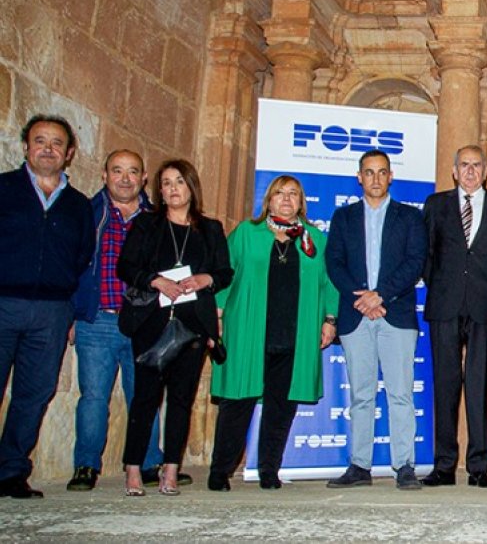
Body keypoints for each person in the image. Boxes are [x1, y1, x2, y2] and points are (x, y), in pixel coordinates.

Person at [208, 175, 339, 491]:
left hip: (294, 335)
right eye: (279, 192)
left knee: (282, 408)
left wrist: (329, 319)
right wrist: (218, 314)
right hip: (247, 331)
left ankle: (269, 470)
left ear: (301, 203)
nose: (286, 198)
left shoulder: (315, 240)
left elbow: (328, 283)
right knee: (237, 402)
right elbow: (225, 275)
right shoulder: (246, 234)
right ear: (268, 199)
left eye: (293, 193)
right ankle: (220, 470)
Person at [117, 159, 232, 496]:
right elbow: (126, 266)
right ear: (159, 190)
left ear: (191, 187)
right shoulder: (147, 225)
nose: (172, 189)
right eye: (166, 183)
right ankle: (134, 469)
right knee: (145, 398)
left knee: (181, 400)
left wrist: (205, 279)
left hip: (193, 325)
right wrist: (156, 281)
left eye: (179, 181)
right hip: (152, 321)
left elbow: (225, 272)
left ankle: (170, 470)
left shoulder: (210, 229)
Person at [69, 150, 181, 491]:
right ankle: (86, 466)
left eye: (133, 171)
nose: (125, 178)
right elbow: (71, 266)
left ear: (144, 178)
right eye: (117, 171)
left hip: (146, 324)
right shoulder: (87, 214)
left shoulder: (157, 220)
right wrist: (71, 314)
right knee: (93, 397)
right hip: (98, 320)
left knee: (145, 396)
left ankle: (149, 462)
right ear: (105, 176)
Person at [0, 115, 94, 499]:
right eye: (40, 140)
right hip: (3, 302)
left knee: (34, 393)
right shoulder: (4, 188)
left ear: (69, 154)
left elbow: (82, 258)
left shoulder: (77, 205)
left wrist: (71, 311)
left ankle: (10, 471)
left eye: (57, 143)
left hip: (52, 312)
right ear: (26, 147)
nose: (48, 149)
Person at [324, 151, 429, 489]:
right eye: (369, 173)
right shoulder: (343, 218)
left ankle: (405, 466)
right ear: (359, 177)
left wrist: (379, 295)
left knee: (400, 394)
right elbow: (334, 263)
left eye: (381, 173)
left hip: (395, 314)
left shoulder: (410, 218)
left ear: (390, 176)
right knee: (362, 395)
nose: (375, 179)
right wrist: (363, 299)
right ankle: (359, 465)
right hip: (356, 317)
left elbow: (415, 262)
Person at [421, 145, 487, 487]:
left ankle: (478, 467)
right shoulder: (436, 205)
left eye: (477, 165)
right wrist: (443, 287)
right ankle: (444, 466)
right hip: (444, 306)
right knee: (444, 385)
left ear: (486, 170)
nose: (471, 171)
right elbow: (427, 255)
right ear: (454, 170)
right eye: (465, 165)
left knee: (478, 385)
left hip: (484, 309)